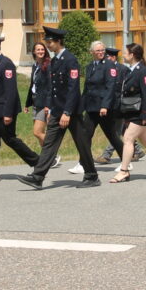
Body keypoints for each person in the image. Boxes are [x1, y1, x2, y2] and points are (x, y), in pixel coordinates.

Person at [19, 26, 98, 189]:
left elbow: (73, 88)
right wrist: (49, 107)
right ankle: (38, 176)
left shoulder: (70, 59)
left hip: (71, 111)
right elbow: (52, 88)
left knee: (81, 142)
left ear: (58, 41)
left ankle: (91, 175)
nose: (47, 45)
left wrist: (67, 113)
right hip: (56, 110)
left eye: (49, 42)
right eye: (47, 41)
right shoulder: (54, 61)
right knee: (49, 143)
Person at [0, 32, 39, 181]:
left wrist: (8, 114)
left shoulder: (6, 64)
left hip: (3, 111)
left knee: (10, 140)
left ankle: (37, 161)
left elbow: (10, 91)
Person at [109, 43, 146, 182]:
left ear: (132, 55)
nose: (123, 55)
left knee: (128, 139)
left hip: (141, 113)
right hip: (132, 112)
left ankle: (124, 171)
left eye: (126, 52)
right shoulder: (132, 70)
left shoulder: (143, 71)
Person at [73, 40, 124, 174]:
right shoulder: (90, 66)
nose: (101, 53)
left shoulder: (109, 65)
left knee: (112, 135)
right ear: (92, 52)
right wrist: (80, 107)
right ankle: (83, 163)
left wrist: (105, 106)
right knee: (85, 135)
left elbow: (110, 87)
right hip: (91, 108)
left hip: (103, 109)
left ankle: (126, 161)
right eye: (98, 51)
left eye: (103, 50)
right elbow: (87, 88)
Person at [25, 41, 52, 153]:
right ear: (34, 52)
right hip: (36, 102)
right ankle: (48, 157)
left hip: (44, 104)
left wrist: (48, 105)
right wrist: (27, 103)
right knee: (39, 133)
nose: (41, 51)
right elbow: (33, 85)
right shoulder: (35, 66)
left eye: (42, 49)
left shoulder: (48, 65)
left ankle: (52, 154)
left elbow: (50, 86)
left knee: (37, 132)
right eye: (38, 49)